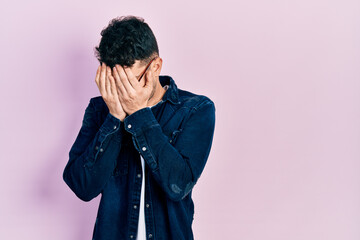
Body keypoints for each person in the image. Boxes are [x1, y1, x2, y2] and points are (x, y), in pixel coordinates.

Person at [62, 15, 216, 240]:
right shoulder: (99, 110)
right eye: (115, 81)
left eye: (129, 81)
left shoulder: (195, 109)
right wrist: (114, 118)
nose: (121, 91)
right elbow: (82, 187)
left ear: (155, 66)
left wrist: (139, 114)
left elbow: (179, 184)